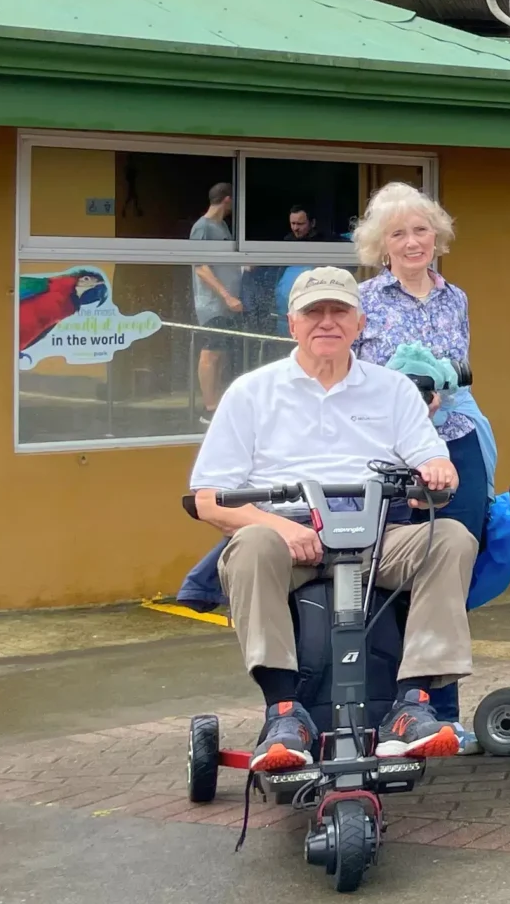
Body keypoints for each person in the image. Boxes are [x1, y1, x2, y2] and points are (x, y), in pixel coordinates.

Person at [190, 267, 472, 772]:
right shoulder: (252, 392)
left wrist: (438, 469)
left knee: (449, 538)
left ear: (359, 322)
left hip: (375, 533)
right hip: (286, 536)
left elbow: (435, 466)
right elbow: (210, 498)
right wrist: (283, 527)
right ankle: (284, 713)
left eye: (338, 311)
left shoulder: (392, 391)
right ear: (291, 324)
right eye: (313, 312)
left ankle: (411, 707)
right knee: (252, 546)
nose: (327, 322)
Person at [353, 182, 493, 544]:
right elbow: (345, 378)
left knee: (464, 540)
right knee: (392, 547)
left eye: (421, 230)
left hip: (456, 437)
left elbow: (462, 374)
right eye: (398, 234)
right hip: (388, 444)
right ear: (382, 244)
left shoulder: (455, 298)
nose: (412, 242)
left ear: (436, 236)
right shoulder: (361, 301)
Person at [189, 182, 242, 417]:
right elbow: (200, 266)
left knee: (221, 353)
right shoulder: (202, 227)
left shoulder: (222, 227)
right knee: (210, 352)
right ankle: (208, 409)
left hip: (226, 305)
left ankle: (217, 404)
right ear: (227, 200)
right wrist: (226, 295)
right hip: (213, 305)